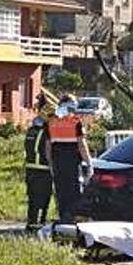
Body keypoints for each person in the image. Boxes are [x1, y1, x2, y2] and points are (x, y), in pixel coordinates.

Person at [46, 95, 93, 223]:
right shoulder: (75, 122)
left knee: (61, 192)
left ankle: (63, 218)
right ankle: (74, 220)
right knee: (74, 192)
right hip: (72, 162)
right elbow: (81, 144)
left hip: (57, 162)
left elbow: (48, 147)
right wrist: (89, 163)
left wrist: (50, 164)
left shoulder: (51, 122)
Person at [24, 115, 52, 231]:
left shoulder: (30, 131)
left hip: (30, 169)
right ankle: (39, 225)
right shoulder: (46, 133)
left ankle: (31, 223)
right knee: (43, 198)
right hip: (43, 169)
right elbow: (47, 151)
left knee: (32, 198)